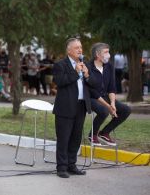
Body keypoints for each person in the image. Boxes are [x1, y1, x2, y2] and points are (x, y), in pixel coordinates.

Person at [52, 38, 94, 178]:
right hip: (65, 106)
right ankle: (61, 168)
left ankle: (72, 165)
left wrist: (87, 76)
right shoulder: (60, 65)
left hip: (81, 105)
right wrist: (75, 72)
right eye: (77, 48)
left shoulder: (84, 64)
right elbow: (60, 82)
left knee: (76, 137)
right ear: (69, 50)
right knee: (64, 138)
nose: (80, 50)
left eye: (81, 47)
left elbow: (93, 84)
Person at [87, 43, 131, 146]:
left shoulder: (109, 66)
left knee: (126, 110)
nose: (109, 55)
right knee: (104, 111)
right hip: (92, 98)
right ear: (97, 54)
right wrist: (108, 106)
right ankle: (92, 134)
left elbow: (112, 87)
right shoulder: (88, 67)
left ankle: (105, 133)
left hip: (105, 97)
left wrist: (113, 103)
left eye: (108, 52)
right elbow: (92, 91)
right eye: (106, 52)